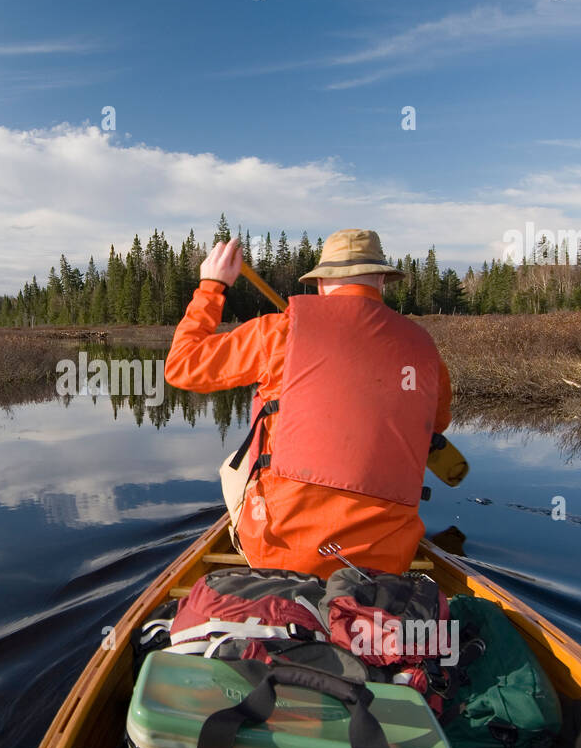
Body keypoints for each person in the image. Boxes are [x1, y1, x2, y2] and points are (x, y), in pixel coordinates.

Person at [164, 228, 451, 577]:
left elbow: (182, 366)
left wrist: (212, 286)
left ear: (320, 284)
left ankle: (255, 556)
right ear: (381, 280)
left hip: (284, 555)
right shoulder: (424, 351)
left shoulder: (278, 333)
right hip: (388, 560)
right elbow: (436, 425)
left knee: (232, 467)